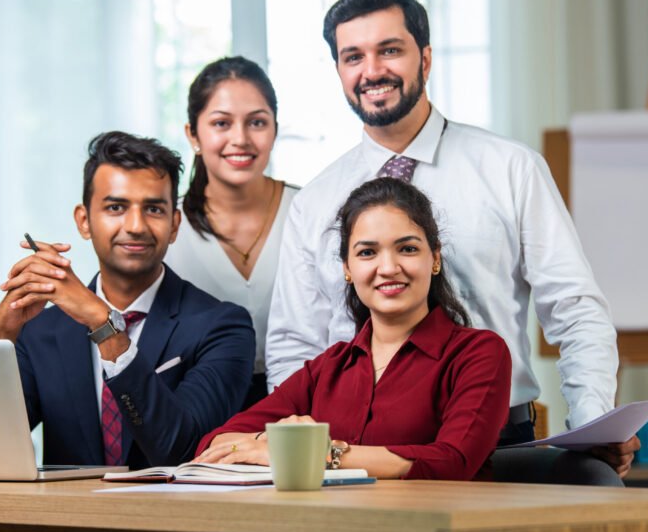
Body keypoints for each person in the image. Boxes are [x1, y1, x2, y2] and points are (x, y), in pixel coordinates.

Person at [264, 0, 638, 480]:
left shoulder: (511, 168)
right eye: (353, 56)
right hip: (351, 458)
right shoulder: (315, 202)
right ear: (338, 70)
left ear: (426, 57)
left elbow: (573, 307)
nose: (372, 70)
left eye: (390, 50)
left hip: (498, 451)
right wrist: (302, 453)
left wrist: (592, 422)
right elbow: (295, 343)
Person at [195, 178, 511, 481]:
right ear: (347, 268)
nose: (388, 268)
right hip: (335, 529)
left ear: (435, 258)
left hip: (436, 530)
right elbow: (214, 444)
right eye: (367, 253)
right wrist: (273, 440)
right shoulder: (329, 367)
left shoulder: (479, 353)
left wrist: (316, 452)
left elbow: (451, 461)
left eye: (408, 249)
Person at [0, 131, 255, 468]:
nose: (135, 226)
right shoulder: (40, 332)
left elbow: (183, 451)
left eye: (154, 209)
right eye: (116, 207)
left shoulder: (224, 327)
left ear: (174, 225)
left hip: (176, 517)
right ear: (84, 221)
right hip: (63, 518)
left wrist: (104, 325)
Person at [166, 56, 298, 408]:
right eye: (221, 123)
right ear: (193, 134)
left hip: (301, 409)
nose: (240, 139)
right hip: (194, 408)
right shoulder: (164, 226)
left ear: (274, 129)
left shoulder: (309, 211)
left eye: (257, 122)